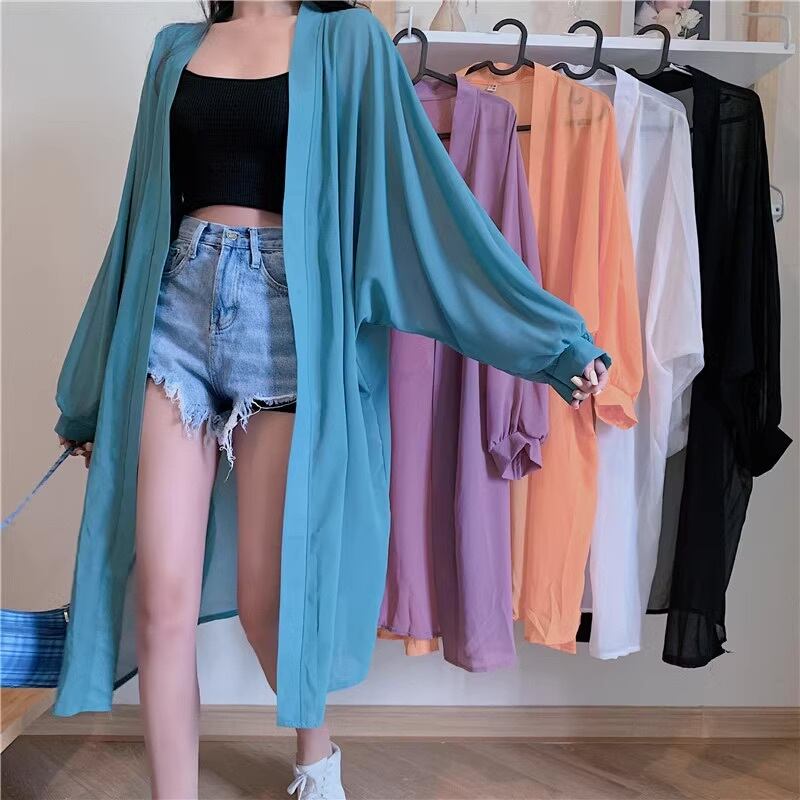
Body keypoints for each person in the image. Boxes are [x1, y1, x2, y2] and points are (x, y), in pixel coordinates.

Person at [55, 2, 610, 798]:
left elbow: (426, 204)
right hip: (176, 310)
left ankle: (316, 761)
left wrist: (553, 342)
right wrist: (88, 398)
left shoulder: (348, 42)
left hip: (290, 326)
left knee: (266, 600)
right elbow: (137, 224)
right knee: (160, 599)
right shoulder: (174, 48)